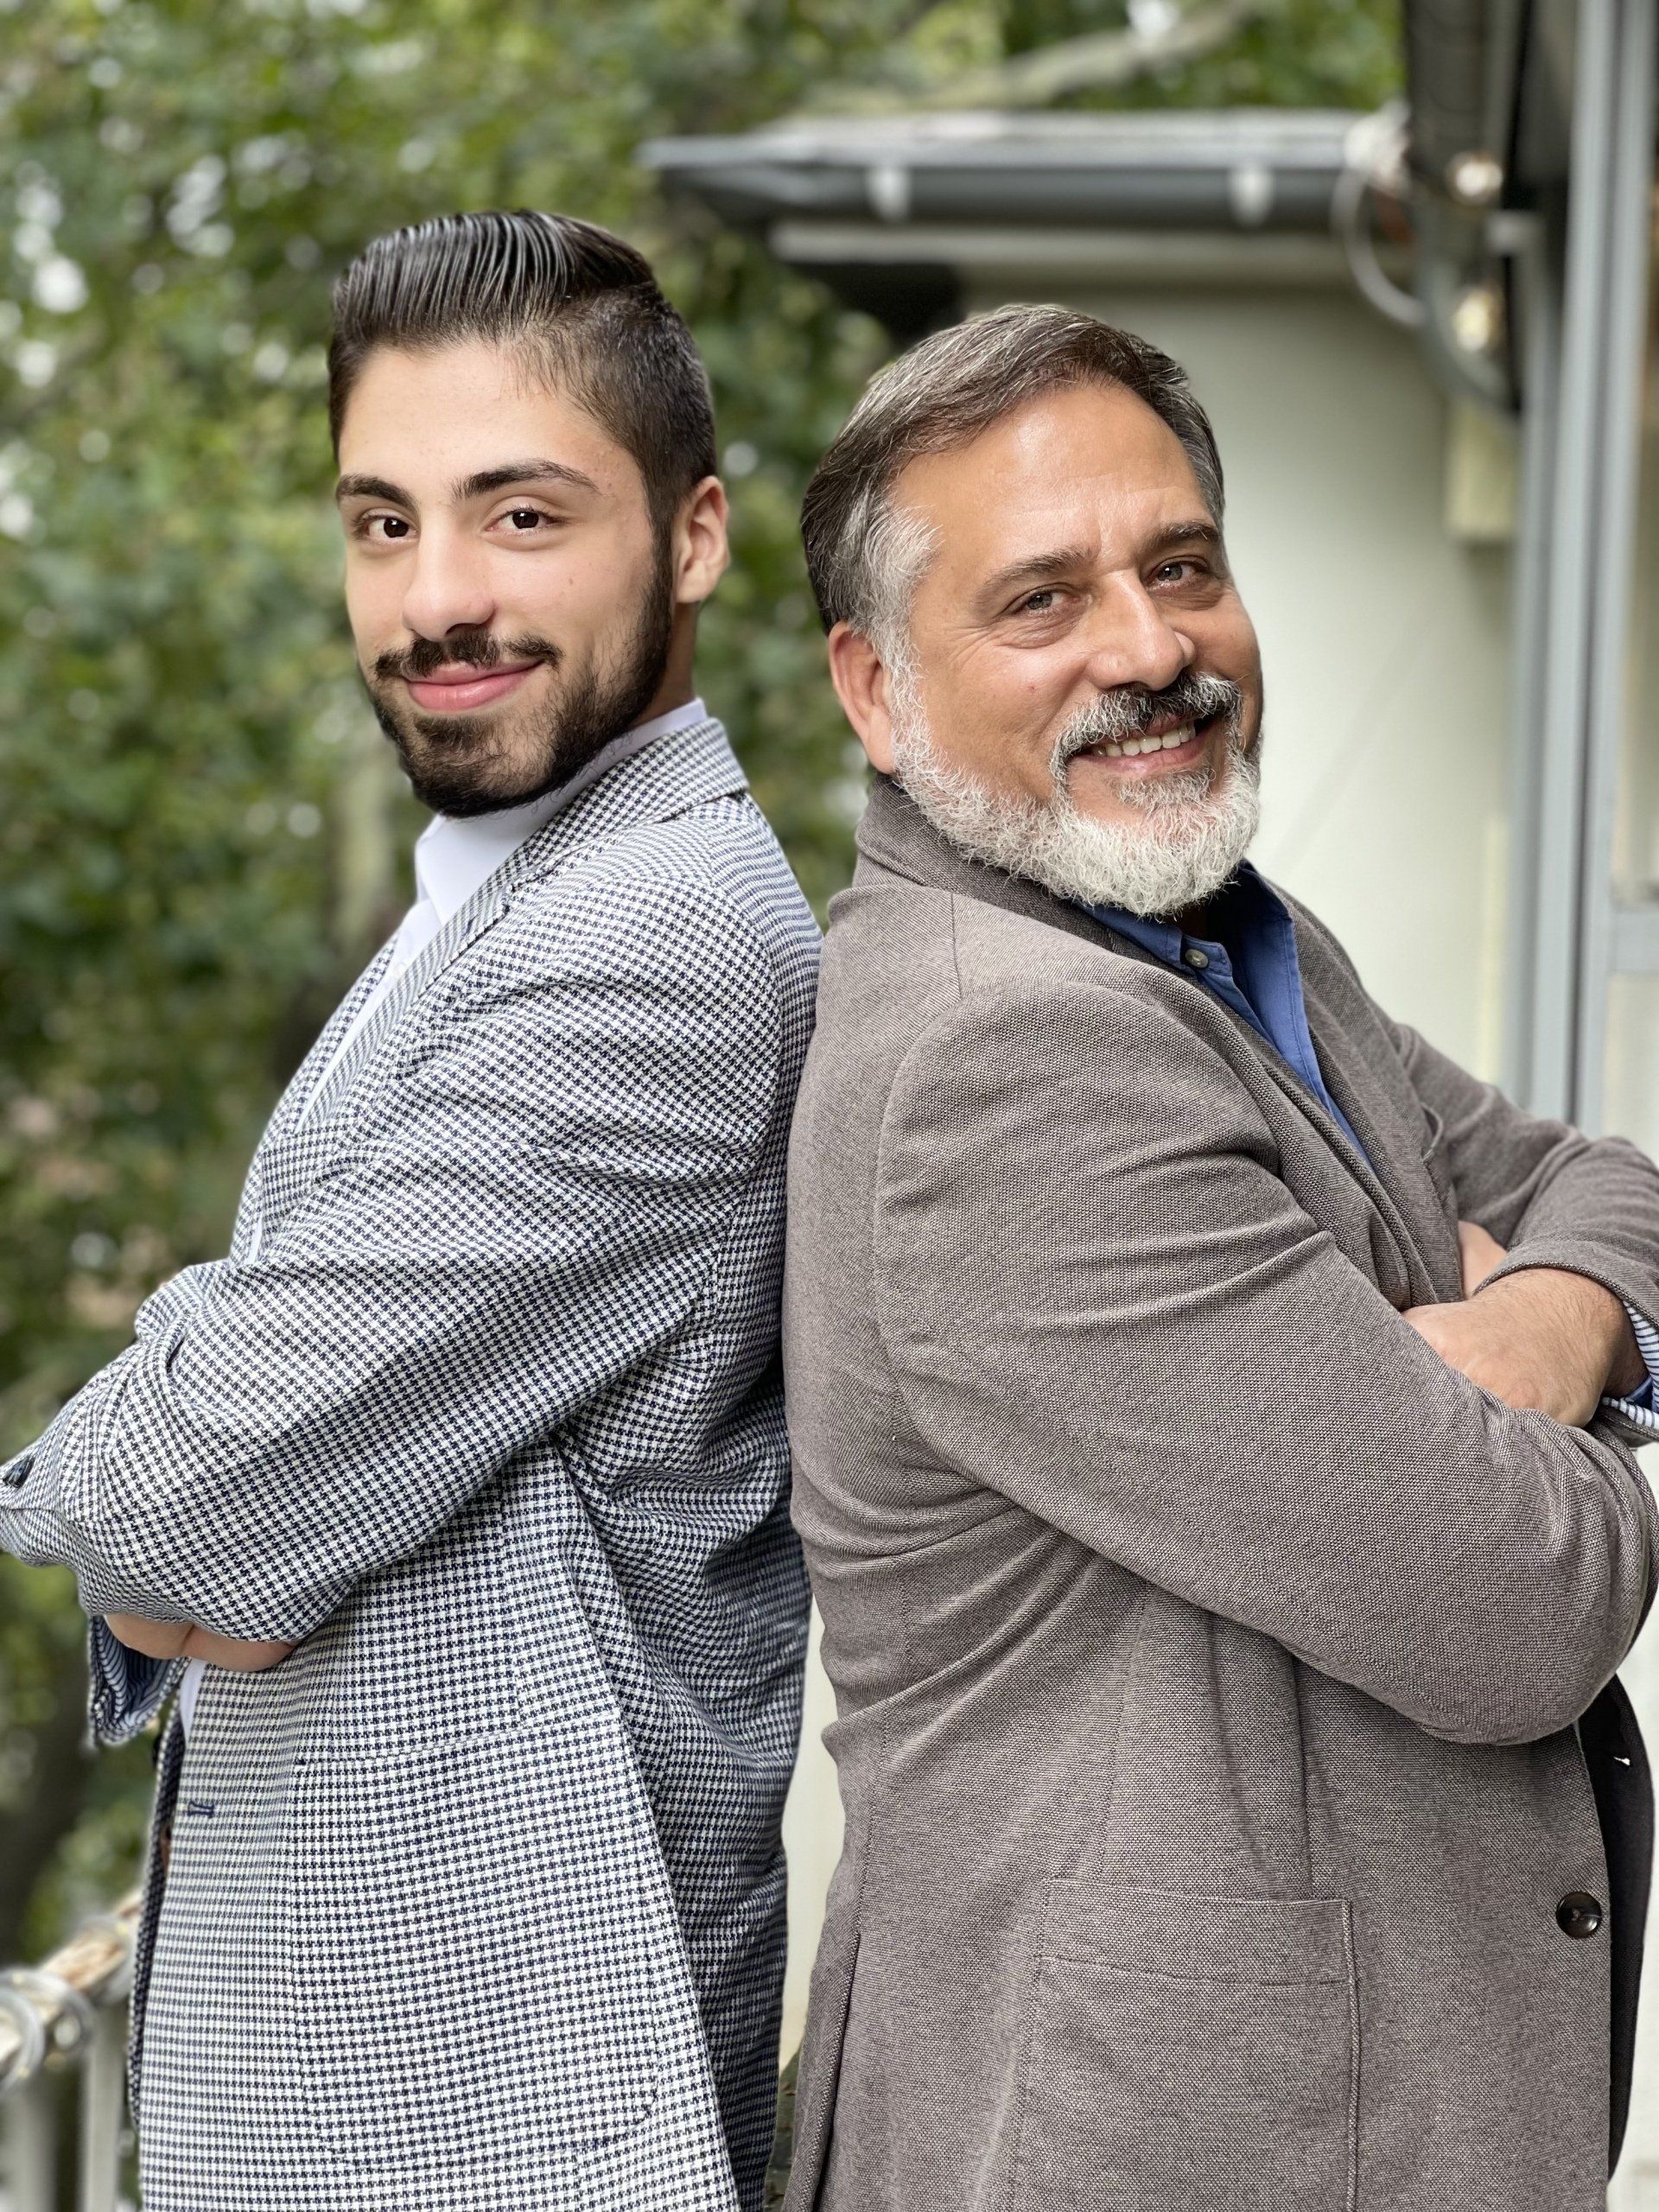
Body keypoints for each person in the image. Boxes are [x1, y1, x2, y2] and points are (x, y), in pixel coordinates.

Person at [779, 303, 1659, 2212]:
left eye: (1182, 565)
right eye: (1043, 601)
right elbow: (1516, 1600)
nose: (1150, 649)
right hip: (1167, 2148)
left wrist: (1539, 1322)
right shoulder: (1003, 1064)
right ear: (875, 686)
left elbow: (1605, 1181)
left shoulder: (1225, 934)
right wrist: (1575, 1433)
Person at [0, 210, 818, 2212]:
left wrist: (174, 1471)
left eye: (522, 516)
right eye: (384, 522)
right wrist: (223, 1423)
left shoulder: (654, 940)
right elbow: (217, 1484)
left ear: (695, 535)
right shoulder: (506, 892)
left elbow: (170, 1499)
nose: (437, 598)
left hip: (490, 2130)